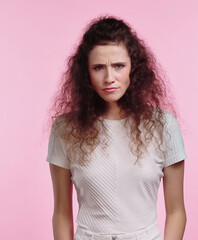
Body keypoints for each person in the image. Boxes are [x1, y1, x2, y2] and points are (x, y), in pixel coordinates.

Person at [46, 16, 187, 240]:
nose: (109, 78)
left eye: (119, 66)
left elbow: (177, 211)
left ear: (134, 68)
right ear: (86, 73)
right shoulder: (65, 129)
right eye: (99, 67)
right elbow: (62, 213)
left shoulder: (163, 125)